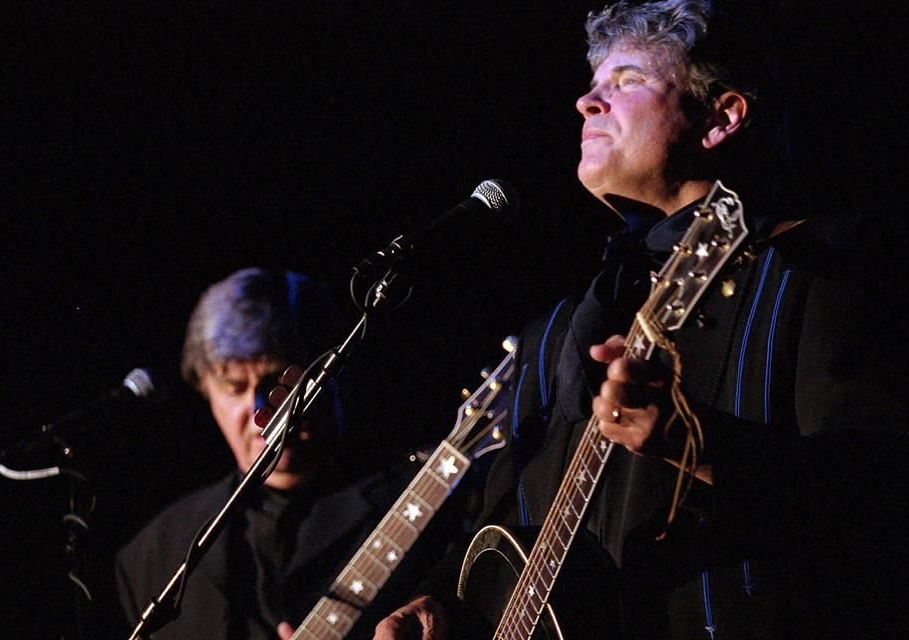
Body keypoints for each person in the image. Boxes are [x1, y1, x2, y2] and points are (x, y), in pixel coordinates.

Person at [373, 1, 908, 638]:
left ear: (721, 118)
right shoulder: (556, 334)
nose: (586, 102)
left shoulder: (820, 270)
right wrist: (439, 601)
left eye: (627, 81)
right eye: (594, 84)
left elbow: (877, 496)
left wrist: (698, 445)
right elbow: (500, 520)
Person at [115, 267, 445, 640]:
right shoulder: (153, 557)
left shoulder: (428, 497)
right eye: (234, 387)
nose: (259, 410)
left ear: (329, 374)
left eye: (277, 382)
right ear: (206, 392)